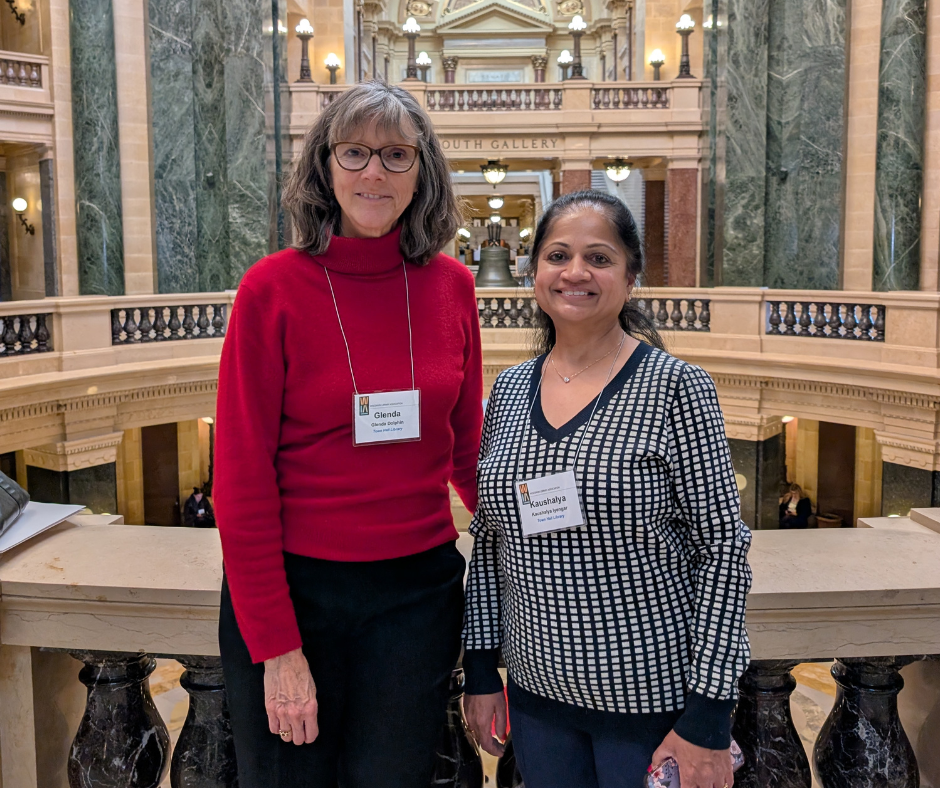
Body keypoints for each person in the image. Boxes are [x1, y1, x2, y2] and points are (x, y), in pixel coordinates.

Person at [213, 81, 483, 788]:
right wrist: (277, 646)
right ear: (324, 168)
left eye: (397, 155)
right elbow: (241, 478)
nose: (374, 172)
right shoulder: (270, 290)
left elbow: (468, 448)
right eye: (355, 152)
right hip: (294, 595)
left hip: (415, 598)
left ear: (423, 171)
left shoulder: (453, 287)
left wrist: (560, 545)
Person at [461, 191, 752, 788]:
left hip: (653, 708)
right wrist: (482, 668)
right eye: (557, 255)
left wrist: (709, 714)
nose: (575, 272)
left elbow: (724, 551)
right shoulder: (510, 392)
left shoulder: (677, 389)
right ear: (533, 271)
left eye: (599, 257)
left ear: (630, 276)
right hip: (538, 701)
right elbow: (490, 543)